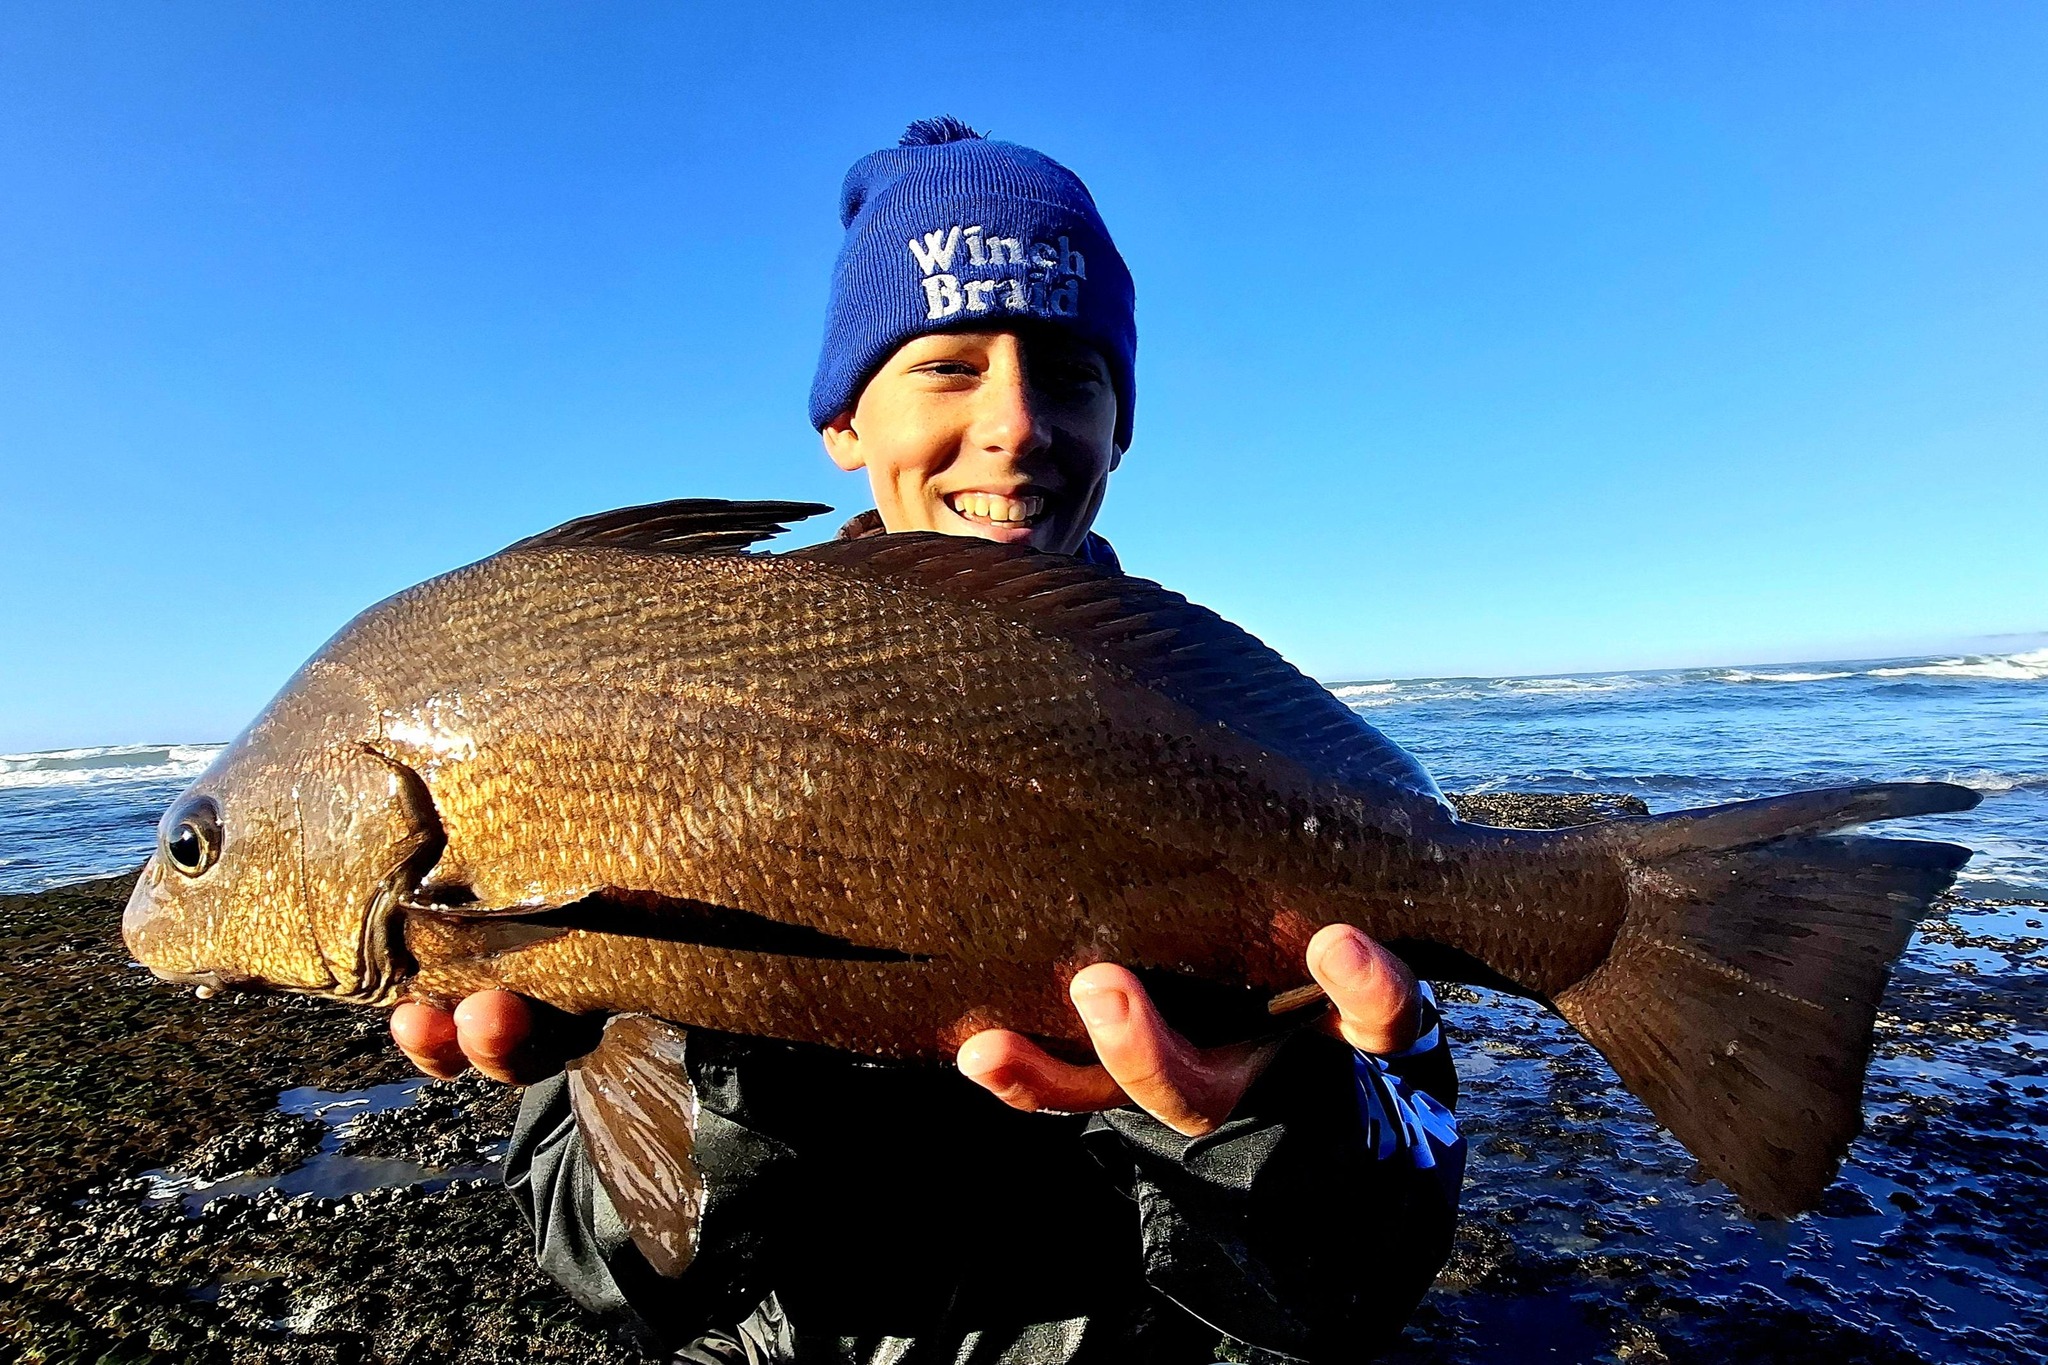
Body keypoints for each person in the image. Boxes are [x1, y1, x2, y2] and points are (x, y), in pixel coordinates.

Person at [391, 118, 1464, 1364]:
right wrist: (718, 1032)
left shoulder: (1242, 755)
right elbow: (616, 1280)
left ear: (1120, 425)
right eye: (947, 367)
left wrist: (1256, 1116)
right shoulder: (639, 731)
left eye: (1068, 372)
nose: (1015, 425)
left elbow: (1358, 1282)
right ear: (844, 425)